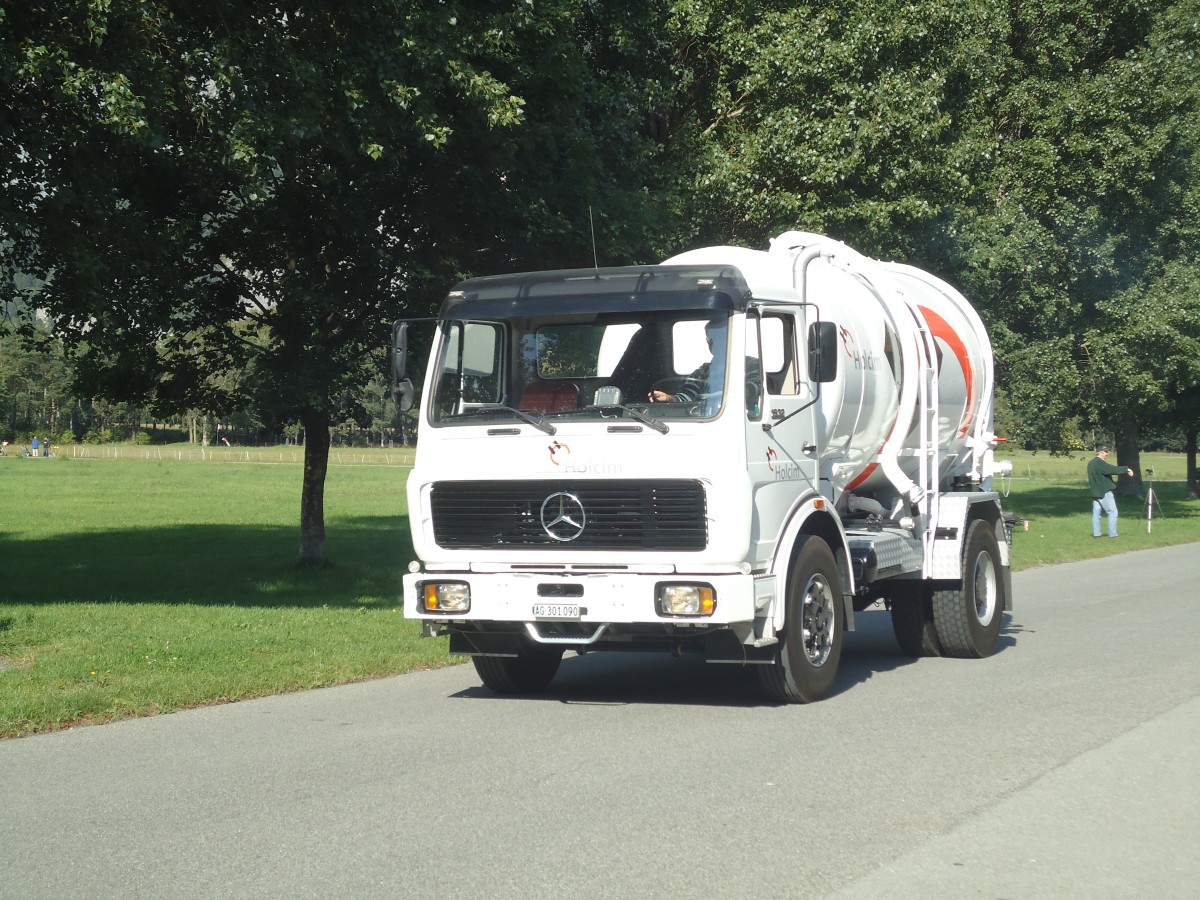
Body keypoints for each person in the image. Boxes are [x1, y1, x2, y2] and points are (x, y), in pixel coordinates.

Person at [1088, 444, 1133, 538]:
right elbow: (1112, 469)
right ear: (1099, 452)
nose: (1107, 454)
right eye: (1105, 452)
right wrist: (1126, 469)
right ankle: (1113, 534)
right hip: (1104, 492)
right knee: (1112, 512)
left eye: (1108, 451)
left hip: (1095, 493)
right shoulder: (1099, 463)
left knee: (1096, 514)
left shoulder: (1091, 463)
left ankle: (1097, 534)